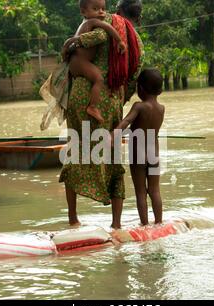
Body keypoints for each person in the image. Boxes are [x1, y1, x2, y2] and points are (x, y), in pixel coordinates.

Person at [59, 0, 144, 229]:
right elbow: (134, 77)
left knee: (75, 151)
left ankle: (73, 219)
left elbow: (72, 53)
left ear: (117, 10)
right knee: (114, 159)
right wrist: (119, 99)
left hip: (78, 95)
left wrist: (71, 42)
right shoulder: (135, 40)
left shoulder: (98, 21)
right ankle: (116, 224)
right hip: (111, 98)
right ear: (138, 18)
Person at [112, 69, 165, 226]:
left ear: (140, 89)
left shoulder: (139, 106)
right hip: (154, 155)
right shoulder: (161, 109)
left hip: (138, 156)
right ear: (160, 90)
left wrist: (113, 134)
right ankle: (159, 222)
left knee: (141, 192)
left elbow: (127, 121)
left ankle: (145, 224)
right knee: (155, 190)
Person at [69, 0, 127, 124]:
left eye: (103, 8)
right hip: (80, 62)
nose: (101, 12)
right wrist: (119, 41)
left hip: (76, 63)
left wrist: (65, 51)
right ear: (83, 12)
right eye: (96, 9)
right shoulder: (93, 22)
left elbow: (69, 43)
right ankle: (93, 107)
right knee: (99, 79)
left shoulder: (84, 24)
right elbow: (108, 30)